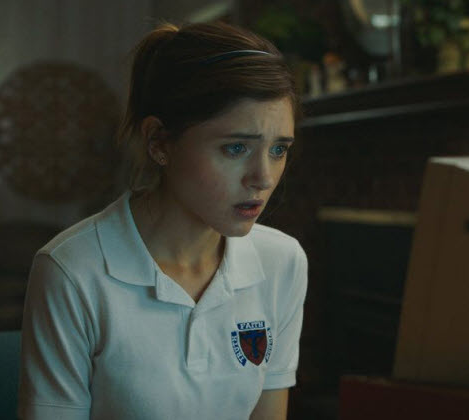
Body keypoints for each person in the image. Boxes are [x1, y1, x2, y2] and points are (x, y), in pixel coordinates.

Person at [17, 20, 308, 420]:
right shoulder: (72, 270)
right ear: (158, 142)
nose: (264, 177)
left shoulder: (282, 261)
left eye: (278, 150)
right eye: (236, 148)